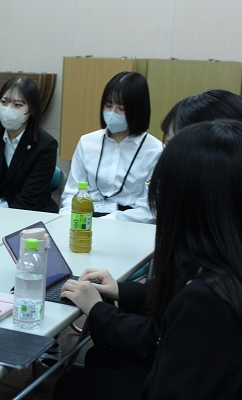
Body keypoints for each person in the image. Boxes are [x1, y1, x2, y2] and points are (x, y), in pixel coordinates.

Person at [56, 120, 242, 399]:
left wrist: (97, 309)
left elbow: (161, 343)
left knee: (72, 385)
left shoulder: (206, 298)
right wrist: (121, 290)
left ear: (187, 198)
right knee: (98, 360)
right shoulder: (222, 256)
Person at [59, 71, 163, 223]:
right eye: (108, 105)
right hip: (85, 219)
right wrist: (70, 218)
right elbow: (71, 193)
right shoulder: (87, 142)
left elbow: (149, 209)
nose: (112, 113)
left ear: (138, 110)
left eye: (121, 108)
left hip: (128, 224)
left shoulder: (155, 151)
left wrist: (109, 221)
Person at [0, 76, 58, 212]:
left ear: (32, 109)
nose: (8, 110)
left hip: (29, 214)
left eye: (18, 105)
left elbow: (30, 197)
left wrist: (2, 217)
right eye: (4, 102)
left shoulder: (46, 145)